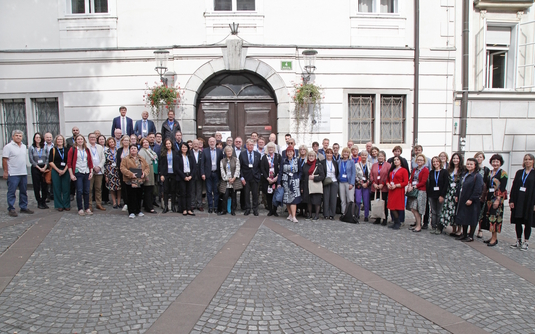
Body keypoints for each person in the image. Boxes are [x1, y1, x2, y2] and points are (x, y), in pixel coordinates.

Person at [478, 154, 508, 246]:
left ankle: (494, 239)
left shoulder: (503, 173)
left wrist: (498, 199)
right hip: (489, 198)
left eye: (497, 162)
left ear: (500, 163)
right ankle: (492, 236)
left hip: (496, 199)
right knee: (489, 217)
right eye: (493, 161)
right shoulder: (490, 172)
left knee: (494, 218)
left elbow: (502, 188)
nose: (495, 163)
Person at [3, 130, 34, 217]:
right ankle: (11, 208)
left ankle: (23, 207)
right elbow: (4, 159)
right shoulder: (8, 147)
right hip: (13, 173)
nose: (18, 137)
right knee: (12, 191)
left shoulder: (24, 146)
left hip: (23, 172)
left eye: (20, 136)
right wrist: (6, 172)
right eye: (16, 135)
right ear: (13, 136)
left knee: (24, 191)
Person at [509, 154, 535, 251]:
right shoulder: (519, 172)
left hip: (529, 201)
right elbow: (514, 186)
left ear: (533, 161)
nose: (527, 161)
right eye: (526, 159)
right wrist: (511, 200)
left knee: (528, 221)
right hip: (518, 199)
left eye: (529, 159)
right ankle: (518, 240)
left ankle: (526, 241)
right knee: (518, 221)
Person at [455, 158, 484, 242]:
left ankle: (470, 235)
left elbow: (478, 189)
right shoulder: (464, 174)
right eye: (468, 164)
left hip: (472, 201)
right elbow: (459, 185)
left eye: (471, 164)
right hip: (463, 198)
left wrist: (471, 199)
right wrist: (457, 195)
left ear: (475, 165)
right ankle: (464, 234)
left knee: (472, 218)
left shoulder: (477, 176)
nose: (469, 166)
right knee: (464, 217)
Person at [120, 145, 150, 219]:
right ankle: (131, 211)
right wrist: (130, 174)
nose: (133, 150)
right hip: (130, 180)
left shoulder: (141, 158)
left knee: (139, 196)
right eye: (132, 148)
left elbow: (147, 167)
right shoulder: (126, 159)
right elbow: (122, 168)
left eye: (135, 148)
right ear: (130, 150)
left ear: (137, 150)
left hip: (140, 180)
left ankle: (138, 210)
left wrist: (144, 174)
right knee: (131, 196)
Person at [67, 134, 94, 216]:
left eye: (81, 139)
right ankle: (80, 208)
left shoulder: (87, 150)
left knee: (86, 191)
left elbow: (90, 162)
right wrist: (71, 174)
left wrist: (91, 172)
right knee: (79, 191)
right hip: (78, 172)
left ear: (83, 140)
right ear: (76, 141)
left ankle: (87, 208)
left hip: (86, 172)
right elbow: (69, 163)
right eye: (78, 139)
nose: (80, 140)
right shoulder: (73, 149)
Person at [440, 152, 465, 236]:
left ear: (460, 160)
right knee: (451, 211)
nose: (455, 160)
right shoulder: (449, 169)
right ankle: (453, 229)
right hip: (449, 192)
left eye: (457, 158)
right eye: (454, 158)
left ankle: (459, 229)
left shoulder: (463, 170)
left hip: (458, 192)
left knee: (458, 210)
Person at [277, 145, 301, 223]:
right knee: (287, 198)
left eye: (291, 151)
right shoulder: (283, 161)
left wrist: (298, 178)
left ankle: (294, 216)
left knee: (294, 199)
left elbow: (300, 171)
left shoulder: (297, 160)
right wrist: (279, 182)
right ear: (286, 153)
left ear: (293, 152)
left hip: (294, 182)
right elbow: (280, 172)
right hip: (286, 181)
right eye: (288, 151)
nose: (289, 153)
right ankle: (290, 214)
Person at [407, 154, 429, 232]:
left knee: (417, 209)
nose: (419, 161)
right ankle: (417, 224)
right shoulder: (414, 169)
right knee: (413, 208)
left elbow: (423, 182)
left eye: (421, 160)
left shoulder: (425, 170)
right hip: (413, 190)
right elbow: (411, 178)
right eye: (418, 160)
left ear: (424, 161)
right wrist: (409, 185)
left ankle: (419, 225)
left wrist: (414, 187)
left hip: (420, 191)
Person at [426, 156, 449, 235]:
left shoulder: (444, 172)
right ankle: (433, 226)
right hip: (432, 195)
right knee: (433, 212)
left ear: (440, 162)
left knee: (439, 212)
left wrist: (442, 195)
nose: (435, 163)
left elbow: (446, 184)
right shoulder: (431, 172)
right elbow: (430, 183)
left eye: (437, 161)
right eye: (434, 162)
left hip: (440, 195)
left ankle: (439, 227)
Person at [239, 139, 262, 216]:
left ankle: (255, 209)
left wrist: (258, 175)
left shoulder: (257, 154)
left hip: (255, 177)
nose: (251, 146)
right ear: (246, 145)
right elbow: (240, 167)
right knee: (246, 194)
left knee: (255, 194)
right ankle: (247, 208)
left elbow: (259, 167)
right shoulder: (242, 154)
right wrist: (242, 177)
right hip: (246, 178)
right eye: (249, 145)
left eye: (252, 145)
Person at [48, 135, 70, 211]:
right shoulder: (53, 150)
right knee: (57, 188)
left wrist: (64, 170)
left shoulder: (67, 150)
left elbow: (69, 161)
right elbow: (50, 162)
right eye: (58, 139)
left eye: (61, 139)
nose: (60, 141)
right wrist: (58, 170)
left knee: (66, 188)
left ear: (63, 141)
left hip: (65, 170)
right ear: (56, 141)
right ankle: (59, 205)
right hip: (56, 170)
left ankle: (66, 204)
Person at [301, 150, 325, 220]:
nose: (311, 157)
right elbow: (303, 176)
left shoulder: (319, 165)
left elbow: (322, 176)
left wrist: (314, 177)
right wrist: (302, 187)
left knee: (316, 201)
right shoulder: (305, 165)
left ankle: (317, 215)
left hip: (315, 185)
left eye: (312, 156)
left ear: (315, 157)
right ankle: (310, 214)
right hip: (306, 185)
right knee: (309, 201)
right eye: (309, 156)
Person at [219, 145, 242, 215]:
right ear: (225, 152)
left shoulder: (236, 159)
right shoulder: (222, 161)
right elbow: (222, 171)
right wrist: (227, 179)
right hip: (226, 182)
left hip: (234, 181)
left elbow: (238, 169)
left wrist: (234, 178)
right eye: (227, 151)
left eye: (230, 151)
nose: (229, 152)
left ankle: (233, 210)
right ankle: (224, 210)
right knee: (225, 196)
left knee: (233, 196)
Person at [202, 137, 223, 213]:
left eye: (213, 141)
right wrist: (203, 173)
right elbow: (202, 163)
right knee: (209, 191)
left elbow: (221, 163)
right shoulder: (205, 151)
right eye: (210, 141)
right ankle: (210, 206)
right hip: (208, 173)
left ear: (215, 142)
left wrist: (221, 174)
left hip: (217, 173)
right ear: (208, 142)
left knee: (216, 191)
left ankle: (216, 207)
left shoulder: (219, 151)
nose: (212, 143)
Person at [387, 156, 409, 230]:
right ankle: (396, 221)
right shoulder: (392, 170)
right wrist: (388, 184)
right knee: (392, 207)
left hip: (398, 190)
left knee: (397, 206)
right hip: (391, 190)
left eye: (397, 160)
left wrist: (396, 185)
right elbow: (387, 179)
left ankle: (398, 222)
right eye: (395, 160)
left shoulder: (404, 170)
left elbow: (405, 182)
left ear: (400, 161)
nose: (396, 161)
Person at [28, 132, 49, 209]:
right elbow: (31, 160)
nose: (38, 139)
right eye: (36, 137)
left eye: (39, 137)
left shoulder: (45, 147)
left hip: (44, 167)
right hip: (36, 168)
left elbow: (48, 158)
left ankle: (44, 200)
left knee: (44, 185)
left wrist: (44, 167)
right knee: (36, 185)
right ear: (34, 139)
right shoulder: (31, 148)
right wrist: (39, 168)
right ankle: (39, 201)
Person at [370, 151, 391, 225]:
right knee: (377, 203)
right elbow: (371, 175)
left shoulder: (388, 165)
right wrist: (374, 183)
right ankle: (377, 218)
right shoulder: (374, 165)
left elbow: (388, 176)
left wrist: (383, 184)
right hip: (375, 187)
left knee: (384, 203)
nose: (380, 157)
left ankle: (384, 218)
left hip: (384, 187)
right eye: (379, 156)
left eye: (382, 156)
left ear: (384, 157)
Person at [86, 133, 106, 211]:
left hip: (99, 170)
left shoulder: (100, 147)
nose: (93, 138)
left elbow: (103, 158)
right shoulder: (86, 147)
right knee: (89, 189)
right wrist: (93, 167)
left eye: (94, 137)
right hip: (90, 170)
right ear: (88, 138)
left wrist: (99, 166)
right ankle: (89, 205)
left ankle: (98, 204)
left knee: (98, 188)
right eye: (91, 137)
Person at [260, 142, 280, 216]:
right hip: (267, 180)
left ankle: (275, 210)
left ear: (274, 149)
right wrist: (267, 178)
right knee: (268, 195)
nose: (271, 149)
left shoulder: (278, 156)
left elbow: (280, 168)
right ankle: (270, 210)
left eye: (272, 148)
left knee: (275, 195)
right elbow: (262, 168)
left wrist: (277, 177)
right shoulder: (264, 157)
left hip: (275, 179)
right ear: (267, 149)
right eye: (269, 148)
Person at [138, 138, 158, 214]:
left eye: (147, 142)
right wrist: (144, 174)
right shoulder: (142, 152)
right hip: (147, 170)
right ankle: (149, 207)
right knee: (148, 190)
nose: (146, 144)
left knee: (150, 189)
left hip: (151, 169)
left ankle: (147, 205)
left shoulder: (149, 151)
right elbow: (142, 164)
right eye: (144, 142)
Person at [474, 151, 491, 238]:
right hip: (473, 193)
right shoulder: (473, 168)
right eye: (477, 157)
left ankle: (480, 230)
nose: (479, 158)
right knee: (473, 212)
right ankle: (471, 228)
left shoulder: (486, 170)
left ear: (483, 158)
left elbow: (487, 182)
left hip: (482, 194)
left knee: (481, 212)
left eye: (480, 157)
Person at [159, 138, 178, 213]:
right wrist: (161, 174)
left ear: (171, 144)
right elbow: (160, 165)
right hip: (165, 174)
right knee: (166, 190)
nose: (168, 145)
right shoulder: (163, 153)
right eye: (166, 144)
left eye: (169, 143)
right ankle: (166, 206)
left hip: (173, 173)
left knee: (173, 190)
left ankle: (173, 206)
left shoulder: (175, 152)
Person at [104, 137, 121, 209]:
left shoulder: (118, 150)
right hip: (110, 171)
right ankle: (114, 202)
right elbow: (105, 164)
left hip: (118, 171)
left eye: (113, 142)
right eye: (110, 142)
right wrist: (106, 175)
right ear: (108, 143)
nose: (112, 143)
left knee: (119, 187)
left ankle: (119, 202)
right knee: (112, 187)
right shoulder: (106, 152)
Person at [355, 150, 372, 222]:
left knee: (366, 201)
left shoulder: (370, 165)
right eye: (362, 155)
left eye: (365, 155)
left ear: (367, 156)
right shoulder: (356, 165)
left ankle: (366, 216)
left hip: (367, 185)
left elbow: (371, 176)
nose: (364, 156)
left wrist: (367, 183)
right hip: (359, 184)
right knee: (358, 200)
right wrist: (360, 182)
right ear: (360, 156)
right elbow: (355, 175)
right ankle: (357, 214)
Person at [338, 147, 356, 215]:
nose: (345, 153)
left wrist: (352, 183)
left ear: (349, 154)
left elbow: (353, 173)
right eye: (344, 152)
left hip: (349, 182)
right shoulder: (339, 161)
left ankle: (350, 213)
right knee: (342, 199)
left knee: (350, 199)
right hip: (341, 182)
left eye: (347, 152)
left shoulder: (351, 162)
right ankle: (344, 213)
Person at [322, 148, 339, 220]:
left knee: (333, 198)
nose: (329, 154)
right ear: (325, 154)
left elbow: (337, 172)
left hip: (334, 181)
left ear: (332, 154)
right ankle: (326, 214)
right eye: (327, 153)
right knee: (326, 198)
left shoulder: (335, 162)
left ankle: (332, 214)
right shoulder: (322, 162)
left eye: (330, 153)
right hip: (326, 182)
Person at [116, 135, 131, 211]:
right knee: (124, 187)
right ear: (122, 141)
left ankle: (131, 202)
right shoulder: (119, 150)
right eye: (124, 140)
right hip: (122, 172)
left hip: (131, 172)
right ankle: (126, 203)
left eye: (127, 140)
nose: (126, 142)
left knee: (131, 187)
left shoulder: (131, 149)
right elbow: (118, 162)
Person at [189, 139, 204, 211]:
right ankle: (192, 204)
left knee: (199, 190)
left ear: (199, 145)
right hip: (191, 174)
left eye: (197, 144)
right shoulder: (189, 153)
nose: (195, 145)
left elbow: (202, 164)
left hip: (199, 174)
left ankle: (199, 204)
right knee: (192, 190)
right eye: (194, 143)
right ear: (192, 144)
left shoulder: (201, 153)